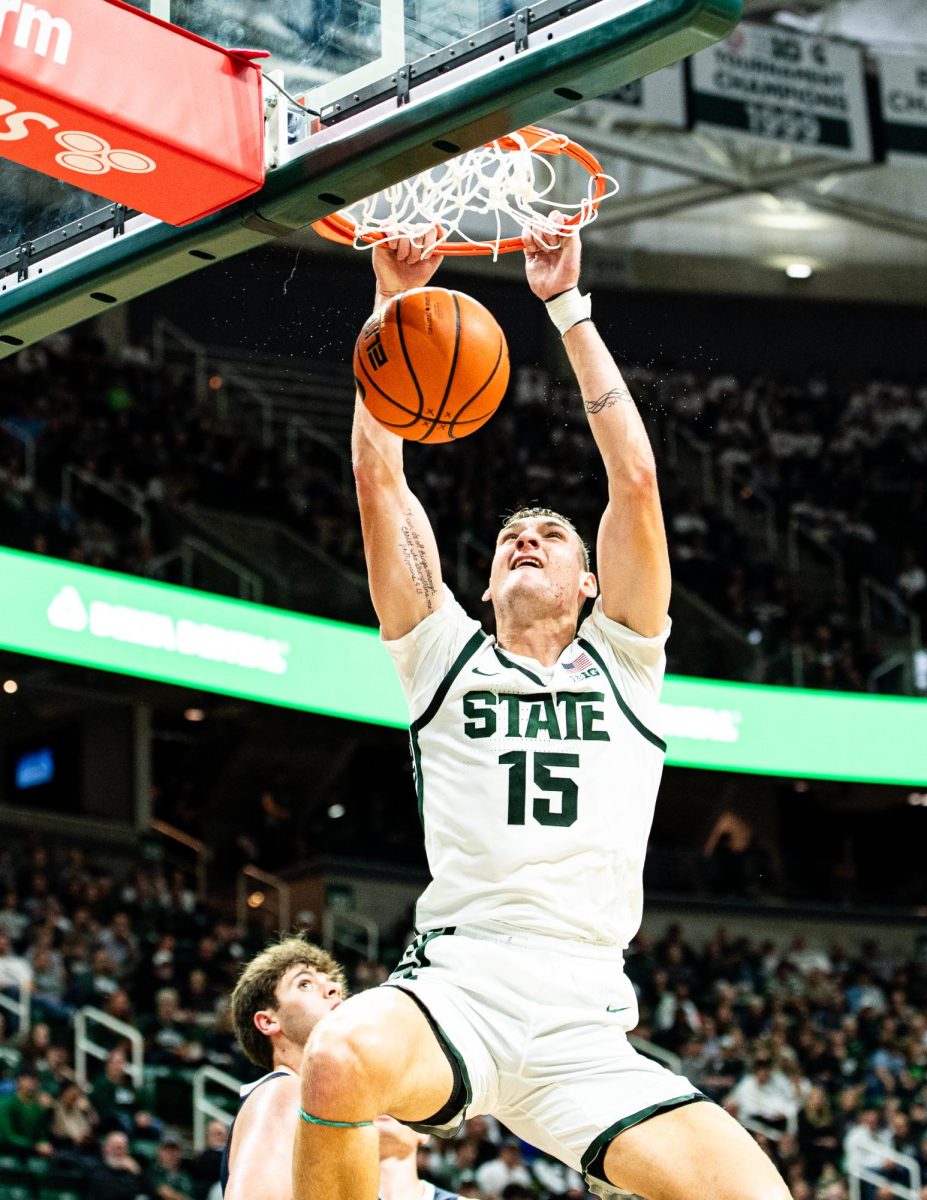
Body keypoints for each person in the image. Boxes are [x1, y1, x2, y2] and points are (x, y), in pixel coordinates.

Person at [293, 220, 792, 1200]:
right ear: (477, 585)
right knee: (340, 1059)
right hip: (461, 987)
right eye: (512, 533)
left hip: (583, 1020)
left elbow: (637, 483)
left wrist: (567, 306)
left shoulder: (626, 663)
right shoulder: (441, 652)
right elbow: (378, 474)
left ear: (593, 583)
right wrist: (390, 304)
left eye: (553, 534)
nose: (527, 536)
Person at [221, 935, 346, 1200]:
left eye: (331, 982)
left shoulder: (323, 1111)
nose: (333, 988)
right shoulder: (282, 1091)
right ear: (268, 1021)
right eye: (305, 983)